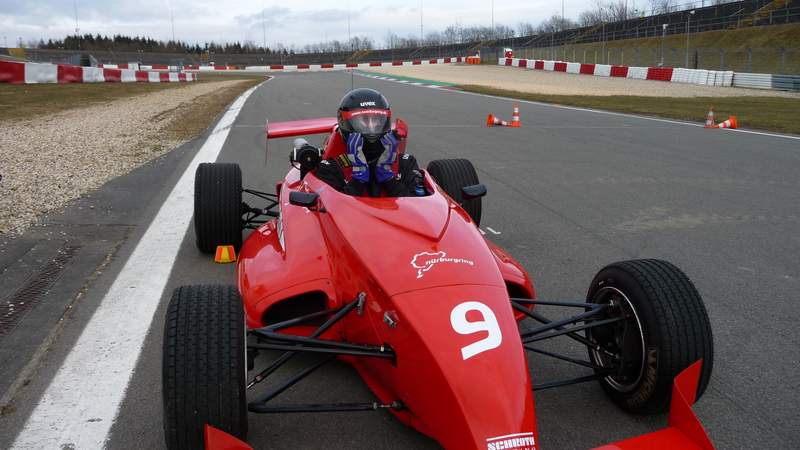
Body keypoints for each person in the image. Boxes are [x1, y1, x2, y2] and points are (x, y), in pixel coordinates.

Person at [315, 88, 424, 197]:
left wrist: (389, 179)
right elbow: (331, 208)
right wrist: (358, 179)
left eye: (377, 120)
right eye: (364, 121)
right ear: (345, 124)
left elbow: (419, 206)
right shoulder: (330, 168)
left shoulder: (406, 164)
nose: (372, 128)